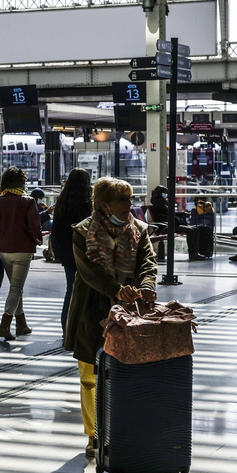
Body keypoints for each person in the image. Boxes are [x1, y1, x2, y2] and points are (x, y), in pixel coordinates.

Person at [65, 177, 157, 456]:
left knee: (130, 371)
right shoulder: (82, 232)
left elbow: (148, 262)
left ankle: (125, 427)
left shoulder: (139, 229)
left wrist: (146, 287)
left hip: (131, 311)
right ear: (105, 205)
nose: (131, 204)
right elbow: (91, 273)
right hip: (91, 308)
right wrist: (117, 290)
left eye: (130, 198)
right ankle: (94, 434)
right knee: (90, 375)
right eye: (124, 199)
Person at [0, 167, 42, 340]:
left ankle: (22, 324)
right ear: (21, 182)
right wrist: (38, 239)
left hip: (3, 251)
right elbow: (34, 226)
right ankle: (4, 325)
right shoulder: (28, 201)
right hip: (23, 250)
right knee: (16, 288)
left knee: (15, 289)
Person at [49, 168, 93, 336]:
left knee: (70, 289)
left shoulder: (62, 202)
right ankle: (82, 328)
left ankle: (66, 328)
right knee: (88, 290)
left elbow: (57, 229)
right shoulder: (88, 203)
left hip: (67, 252)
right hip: (85, 252)